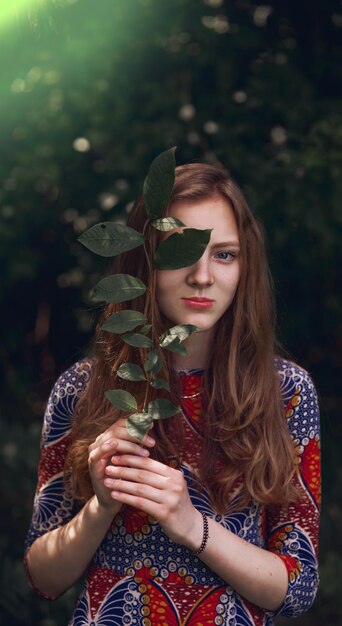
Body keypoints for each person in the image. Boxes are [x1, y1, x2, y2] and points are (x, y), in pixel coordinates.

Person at [24, 163, 321, 625]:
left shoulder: (284, 393)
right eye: (181, 252)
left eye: (224, 254)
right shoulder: (85, 390)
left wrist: (192, 526)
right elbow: (43, 577)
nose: (202, 276)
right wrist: (102, 506)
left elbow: (297, 586)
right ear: (144, 261)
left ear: (245, 266)